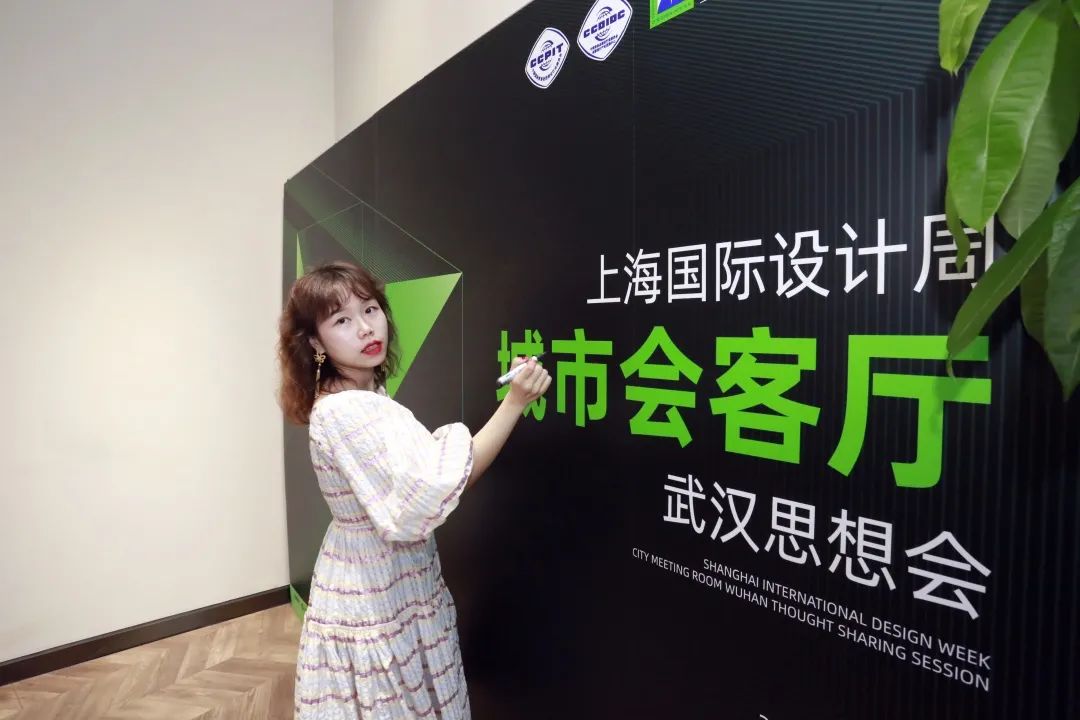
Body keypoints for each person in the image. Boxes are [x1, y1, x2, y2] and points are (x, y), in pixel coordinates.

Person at [277, 260, 550, 719]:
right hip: (374, 593)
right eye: (341, 320)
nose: (365, 328)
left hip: (389, 577)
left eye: (370, 309)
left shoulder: (362, 393)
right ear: (315, 342)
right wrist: (515, 402)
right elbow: (435, 488)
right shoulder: (344, 411)